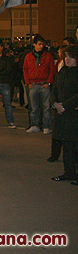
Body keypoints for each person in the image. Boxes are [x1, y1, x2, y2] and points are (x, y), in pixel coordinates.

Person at [50, 46, 78, 184]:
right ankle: (69, 172)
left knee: (75, 145)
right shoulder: (62, 71)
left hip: (73, 113)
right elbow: (54, 88)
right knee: (66, 144)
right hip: (61, 112)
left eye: (70, 57)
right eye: (65, 56)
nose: (67, 59)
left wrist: (65, 105)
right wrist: (54, 103)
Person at [23, 34, 57, 134]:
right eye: (39, 44)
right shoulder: (28, 56)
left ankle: (45, 126)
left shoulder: (48, 56)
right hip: (33, 84)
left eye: (42, 44)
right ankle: (34, 125)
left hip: (43, 84)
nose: (41, 46)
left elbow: (52, 70)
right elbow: (25, 70)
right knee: (33, 107)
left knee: (46, 107)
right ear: (34, 45)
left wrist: (49, 82)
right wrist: (28, 82)